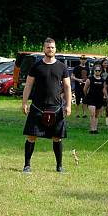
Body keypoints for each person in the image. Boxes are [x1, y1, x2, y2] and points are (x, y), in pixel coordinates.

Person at [21, 37, 72, 173]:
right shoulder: (36, 66)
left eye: (52, 47)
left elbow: (67, 87)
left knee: (57, 137)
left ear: (56, 49)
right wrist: (24, 102)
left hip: (55, 107)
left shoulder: (62, 66)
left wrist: (68, 105)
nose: (50, 49)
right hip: (37, 106)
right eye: (48, 47)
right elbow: (29, 85)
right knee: (31, 137)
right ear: (44, 49)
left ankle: (59, 166)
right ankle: (27, 165)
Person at [83, 64, 106, 134]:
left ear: (101, 71)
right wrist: (87, 96)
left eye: (99, 70)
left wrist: (105, 96)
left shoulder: (103, 80)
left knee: (96, 115)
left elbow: (104, 89)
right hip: (91, 99)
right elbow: (85, 89)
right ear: (93, 71)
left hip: (99, 99)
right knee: (92, 114)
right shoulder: (89, 79)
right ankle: (92, 129)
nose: (97, 72)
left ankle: (95, 129)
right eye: (96, 70)